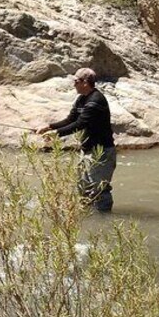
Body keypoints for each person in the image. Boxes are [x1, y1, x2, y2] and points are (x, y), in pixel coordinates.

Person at [36, 68, 117, 212]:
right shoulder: (82, 99)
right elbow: (71, 119)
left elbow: (80, 124)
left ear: (85, 83)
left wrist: (56, 134)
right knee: (83, 187)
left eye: (76, 81)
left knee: (100, 189)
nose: (74, 84)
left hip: (101, 152)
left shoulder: (96, 100)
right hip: (87, 150)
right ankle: (89, 217)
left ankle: (104, 221)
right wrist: (48, 127)